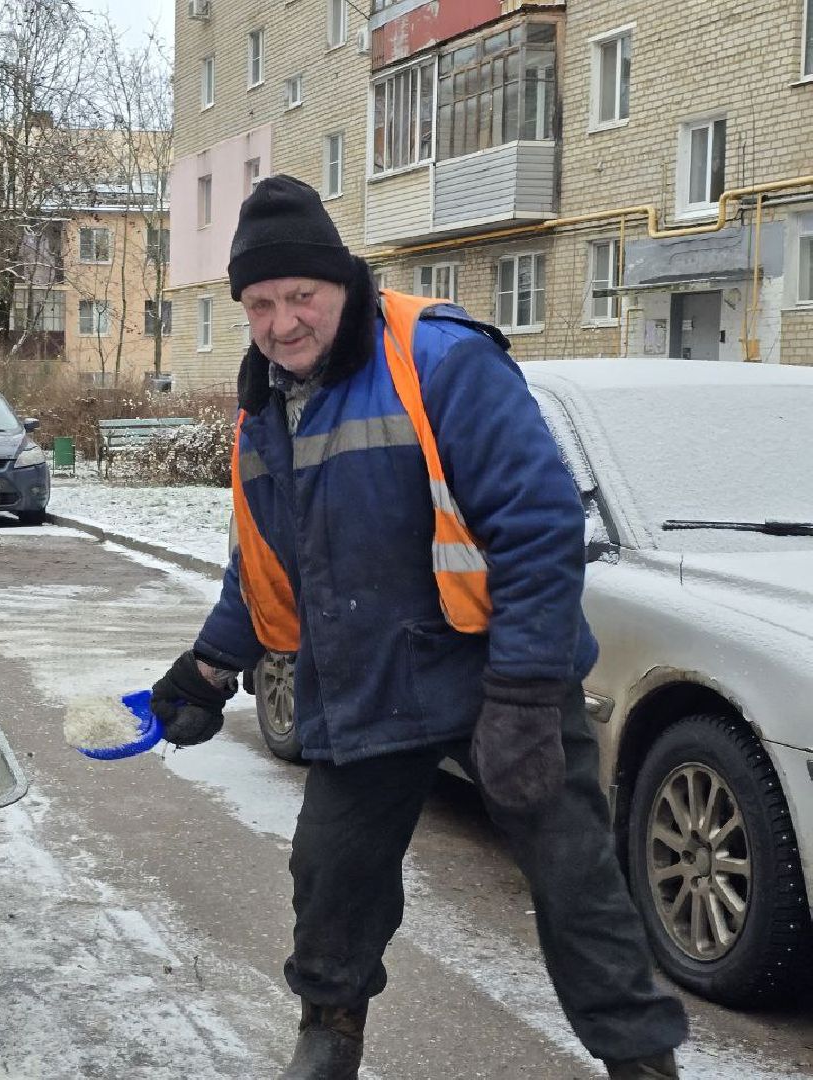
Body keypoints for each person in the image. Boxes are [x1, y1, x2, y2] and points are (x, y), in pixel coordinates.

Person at [149, 175, 688, 1080]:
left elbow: (540, 524)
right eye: (260, 304)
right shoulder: (265, 408)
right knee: (331, 872)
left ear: (343, 284)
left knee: (573, 876)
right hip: (371, 676)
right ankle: (329, 1034)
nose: (283, 324)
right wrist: (210, 666)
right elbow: (273, 562)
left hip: (498, 669)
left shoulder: (435, 357)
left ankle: (641, 1062)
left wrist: (520, 692)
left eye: (302, 297)